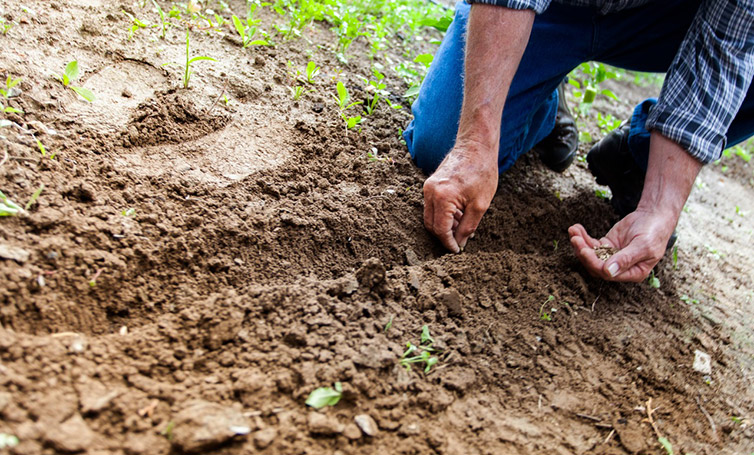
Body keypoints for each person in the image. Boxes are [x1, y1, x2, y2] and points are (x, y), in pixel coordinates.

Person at [403, 0, 754, 282]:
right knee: (442, 145)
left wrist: (660, 207)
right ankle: (542, 101)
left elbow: (728, 48)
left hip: (665, 18)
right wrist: (475, 144)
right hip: (553, 9)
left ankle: (639, 160)